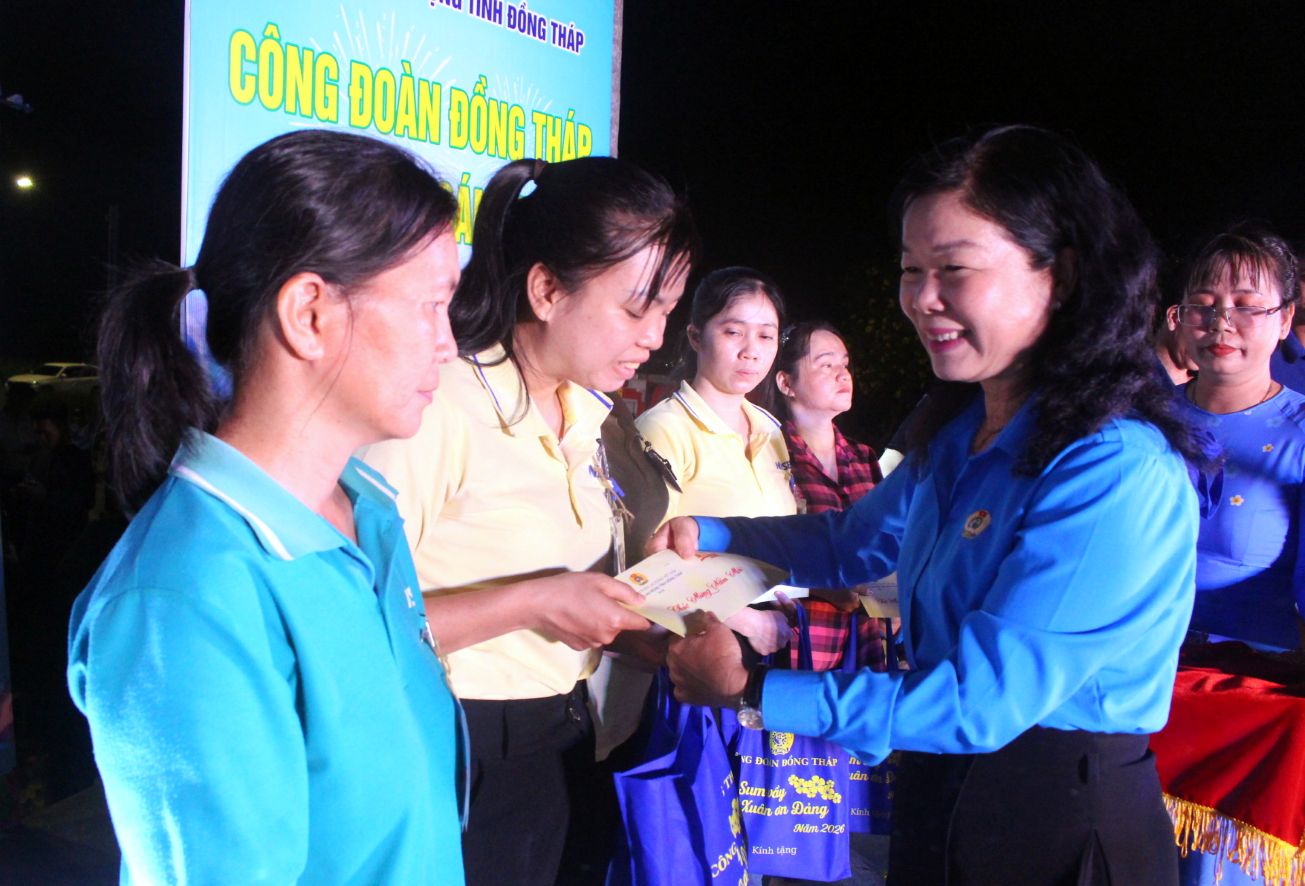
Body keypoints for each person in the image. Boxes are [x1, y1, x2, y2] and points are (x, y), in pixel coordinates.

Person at [655, 125, 1211, 885]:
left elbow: (980, 703)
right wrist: (712, 531)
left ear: (1061, 274)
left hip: (1056, 816)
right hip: (939, 783)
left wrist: (750, 690)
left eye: (954, 268)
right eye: (911, 269)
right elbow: (853, 543)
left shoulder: (1112, 468)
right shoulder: (960, 435)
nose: (921, 299)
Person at [68, 130, 468, 882]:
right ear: (310, 314)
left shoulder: (369, 515)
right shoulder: (182, 598)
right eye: (431, 305)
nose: (448, 344)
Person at [361, 156, 695, 885]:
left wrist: (642, 620)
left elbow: (569, 602)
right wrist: (536, 601)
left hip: (569, 735)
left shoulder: (587, 413)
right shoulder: (439, 408)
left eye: (668, 310)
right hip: (462, 748)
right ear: (546, 290)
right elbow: (354, 625)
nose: (655, 337)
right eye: (637, 308)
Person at [635, 267, 795, 654]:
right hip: (693, 645)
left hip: (771, 633)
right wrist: (749, 622)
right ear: (695, 336)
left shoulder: (771, 430)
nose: (751, 350)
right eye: (733, 332)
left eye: (766, 336)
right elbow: (645, 561)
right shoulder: (663, 428)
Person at [1169, 225, 1305, 652]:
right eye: (1203, 305)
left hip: (1253, 673)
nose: (1220, 323)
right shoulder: (1138, 419)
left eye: (1246, 306)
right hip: (1135, 662)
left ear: (1284, 319)